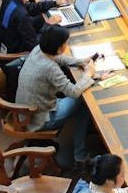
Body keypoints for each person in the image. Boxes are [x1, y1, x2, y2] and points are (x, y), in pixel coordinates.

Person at [15, 27, 96, 162]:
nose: (66, 45)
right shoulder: (50, 68)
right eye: (65, 43)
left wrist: (80, 62)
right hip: (41, 118)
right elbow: (74, 91)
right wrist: (89, 74)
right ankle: (80, 155)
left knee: (81, 99)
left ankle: (80, 151)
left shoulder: (38, 50)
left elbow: (58, 58)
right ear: (59, 47)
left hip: (25, 110)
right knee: (84, 101)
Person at [0, 0, 73, 54]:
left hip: (6, 39)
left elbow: (32, 8)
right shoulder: (21, 15)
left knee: (41, 18)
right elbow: (35, 45)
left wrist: (56, 2)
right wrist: (48, 25)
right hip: (16, 51)